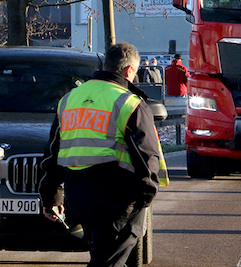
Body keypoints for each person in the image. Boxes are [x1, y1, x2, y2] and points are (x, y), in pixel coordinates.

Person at [38, 43, 169, 267]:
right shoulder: (129, 102)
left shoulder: (69, 100)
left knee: (103, 256)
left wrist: (51, 196)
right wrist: (146, 196)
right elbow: (146, 156)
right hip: (118, 198)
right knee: (107, 261)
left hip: (79, 196)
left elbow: (54, 154)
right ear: (129, 70)